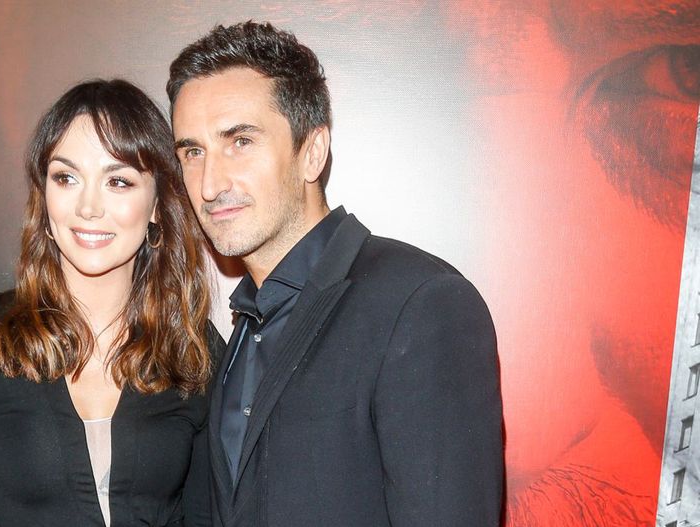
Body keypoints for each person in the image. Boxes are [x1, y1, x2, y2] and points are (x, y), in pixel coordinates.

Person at [167, 21, 504, 526]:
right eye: (193, 152)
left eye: (240, 141)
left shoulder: (420, 304)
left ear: (312, 152)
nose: (209, 184)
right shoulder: (238, 332)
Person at [0, 79, 219, 527]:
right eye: (67, 178)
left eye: (118, 181)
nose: (88, 207)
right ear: (44, 195)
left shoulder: (193, 347)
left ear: (157, 204)